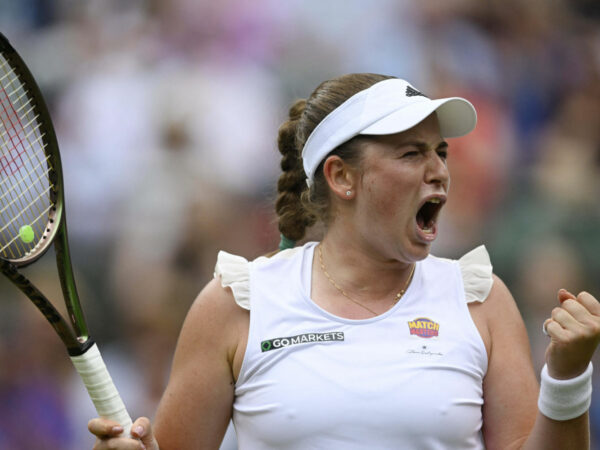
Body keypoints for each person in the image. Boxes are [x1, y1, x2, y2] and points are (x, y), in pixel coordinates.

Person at [89, 73, 600, 449]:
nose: (440, 171)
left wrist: (568, 376)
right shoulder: (236, 303)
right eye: (410, 154)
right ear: (341, 177)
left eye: (439, 151)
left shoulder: (482, 301)